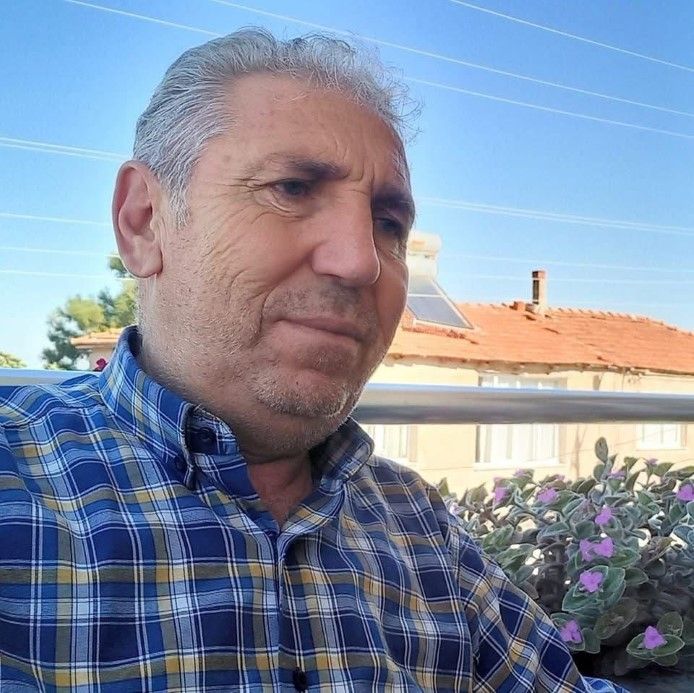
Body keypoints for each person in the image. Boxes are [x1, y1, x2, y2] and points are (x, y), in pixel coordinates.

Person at [0, 28, 628, 692]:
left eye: (388, 223)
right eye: (292, 188)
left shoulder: (418, 521)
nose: (361, 261)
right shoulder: (19, 484)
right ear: (144, 220)